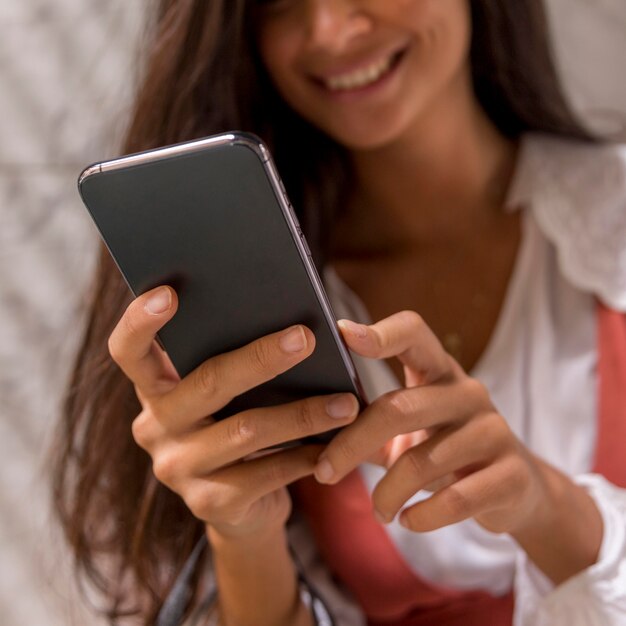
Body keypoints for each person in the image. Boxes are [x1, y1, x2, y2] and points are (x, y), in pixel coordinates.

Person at [52, 1, 626, 625]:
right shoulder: (258, 319)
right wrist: (241, 538)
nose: (330, 31)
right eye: (278, 3)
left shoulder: (609, 216)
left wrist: (547, 507)